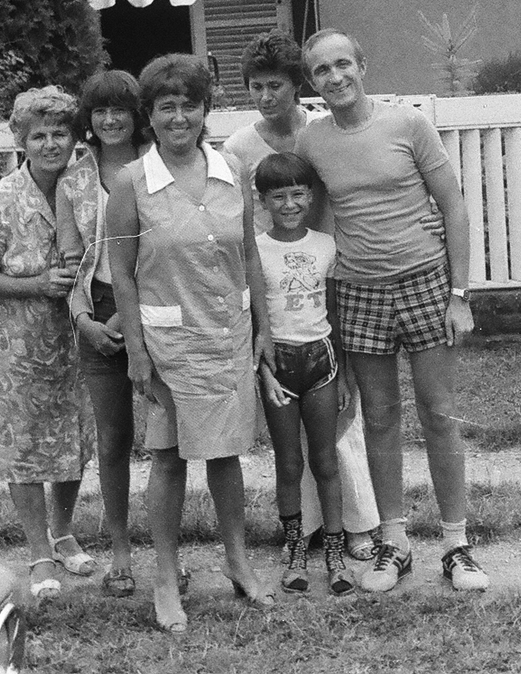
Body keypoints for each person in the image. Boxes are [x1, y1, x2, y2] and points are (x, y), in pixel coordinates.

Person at [295, 29, 490, 593]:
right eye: (321, 71)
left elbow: (452, 204)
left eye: (342, 65)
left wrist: (460, 294)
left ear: (362, 66)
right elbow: (310, 215)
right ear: (312, 83)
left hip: (426, 283)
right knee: (378, 417)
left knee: (438, 412)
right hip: (358, 291)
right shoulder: (312, 142)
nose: (334, 78)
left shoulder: (408, 125)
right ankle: (395, 543)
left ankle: (456, 544)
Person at [106, 53, 275, 634]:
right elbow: (122, 273)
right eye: (166, 107)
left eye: (190, 105)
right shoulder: (131, 184)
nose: (179, 117)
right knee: (171, 458)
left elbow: (249, 252)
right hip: (167, 345)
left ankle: (238, 561)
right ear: (148, 115)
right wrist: (134, 349)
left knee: (227, 455)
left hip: (227, 333)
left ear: (205, 110)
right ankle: (164, 576)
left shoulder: (233, 171)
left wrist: (264, 328)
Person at [222, 31, 380, 562]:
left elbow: (339, 198)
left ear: (298, 86)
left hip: (325, 273)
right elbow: (240, 226)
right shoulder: (240, 147)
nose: (267, 97)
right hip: (273, 286)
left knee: (338, 418)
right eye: (256, 87)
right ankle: (306, 528)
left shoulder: (319, 133)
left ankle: (356, 524)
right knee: (289, 436)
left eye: (277, 86)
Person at [0, 85, 93, 604]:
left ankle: (63, 533)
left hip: (71, 339)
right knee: (24, 449)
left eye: (60, 133)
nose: (51, 144)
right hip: (11, 347)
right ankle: (38, 551)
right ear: (21, 141)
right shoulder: (5, 199)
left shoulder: (86, 189)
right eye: (39, 135)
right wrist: (37, 285)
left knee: (71, 442)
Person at [55, 69, 148, 598]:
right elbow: (70, 260)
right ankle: (120, 553)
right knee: (113, 440)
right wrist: (84, 319)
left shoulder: (156, 170)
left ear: (138, 115)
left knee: (167, 443)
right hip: (97, 311)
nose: (110, 120)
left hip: (153, 306)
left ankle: (165, 552)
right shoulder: (75, 181)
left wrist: (125, 317)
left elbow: (162, 252)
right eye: (99, 111)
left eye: (120, 109)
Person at [251, 151, 355, 596]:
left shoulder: (325, 245)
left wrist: (345, 375)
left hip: (322, 362)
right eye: (279, 196)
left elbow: (336, 312)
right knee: (289, 462)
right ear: (263, 201)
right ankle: (295, 549)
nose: (290, 204)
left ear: (311, 196)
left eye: (298, 194)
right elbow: (253, 319)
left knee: (326, 460)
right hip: (279, 365)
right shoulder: (254, 249)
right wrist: (264, 373)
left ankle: (334, 552)